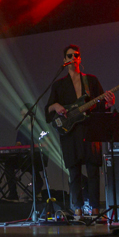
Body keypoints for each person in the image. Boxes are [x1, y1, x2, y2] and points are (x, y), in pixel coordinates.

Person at [46, 45, 112, 218]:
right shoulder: (59, 85)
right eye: (70, 55)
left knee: (93, 171)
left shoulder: (91, 80)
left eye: (77, 55)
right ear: (64, 60)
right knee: (74, 172)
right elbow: (48, 109)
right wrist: (56, 105)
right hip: (70, 131)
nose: (74, 57)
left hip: (90, 129)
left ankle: (96, 209)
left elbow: (101, 105)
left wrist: (108, 104)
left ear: (80, 59)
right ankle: (78, 209)